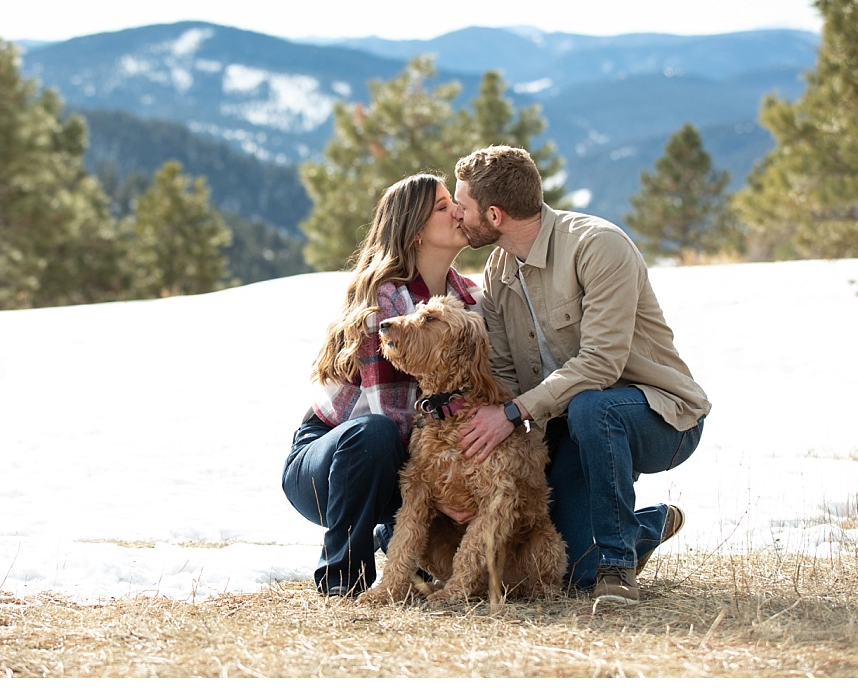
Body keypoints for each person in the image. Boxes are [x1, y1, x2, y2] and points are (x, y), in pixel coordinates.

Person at [450, 145, 709, 605]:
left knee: (595, 406)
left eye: (463, 206)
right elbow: (507, 371)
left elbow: (601, 364)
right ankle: (642, 528)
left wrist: (513, 413)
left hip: (659, 417)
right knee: (569, 568)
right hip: (565, 423)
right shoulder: (497, 270)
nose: (457, 213)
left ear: (493, 214)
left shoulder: (597, 245)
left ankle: (617, 568)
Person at [281, 172, 478, 597]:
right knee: (377, 432)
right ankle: (343, 582)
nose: (458, 212)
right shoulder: (384, 298)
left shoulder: (470, 299)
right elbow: (391, 414)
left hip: (411, 457)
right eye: (443, 208)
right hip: (334, 459)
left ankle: (397, 543)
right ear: (415, 231)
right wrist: (444, 485)